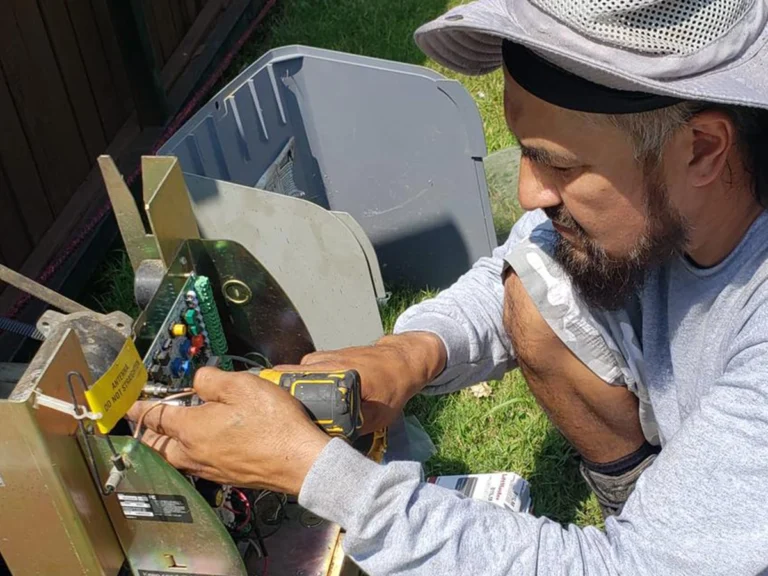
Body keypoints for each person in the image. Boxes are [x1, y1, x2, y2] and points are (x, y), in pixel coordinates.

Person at [128, 0, 768, 573]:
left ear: (704, 149)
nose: (526, 193)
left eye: (561, 163)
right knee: (530, 286)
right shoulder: (675, 205)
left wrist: (321, 476)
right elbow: (522, 267)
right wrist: (407, 355)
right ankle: (652, 507)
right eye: (524, 151)